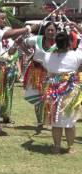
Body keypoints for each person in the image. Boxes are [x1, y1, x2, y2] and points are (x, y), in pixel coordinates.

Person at [0, 8, 34, 134]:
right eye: (2, 18)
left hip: (3, 68)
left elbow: (10, 52)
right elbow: (8, 34)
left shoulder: (2, 31)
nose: (5, 20)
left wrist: (17, 43)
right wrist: (26, 29)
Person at [35, 23, 82, 154]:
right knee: (69, 121)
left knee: (55, 120)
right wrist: (77, 28)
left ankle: (56, 147)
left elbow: (40, 58)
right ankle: (70, 147)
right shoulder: (76, 55)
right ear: (68, 43)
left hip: (53, 89)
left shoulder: (48, 56)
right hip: (70, 90)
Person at [22, 22, 58, 134]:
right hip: (35, 73)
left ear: (56, 31)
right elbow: (22, 42)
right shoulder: (37, 39)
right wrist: (28, 53)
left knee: (49, 99)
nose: (50, 32)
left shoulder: (58, 43)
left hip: (50, 74)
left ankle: (50, 121)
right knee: (37, 98)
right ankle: (39, 122)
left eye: (53, 30)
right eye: (48, 30)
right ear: (45, 30)